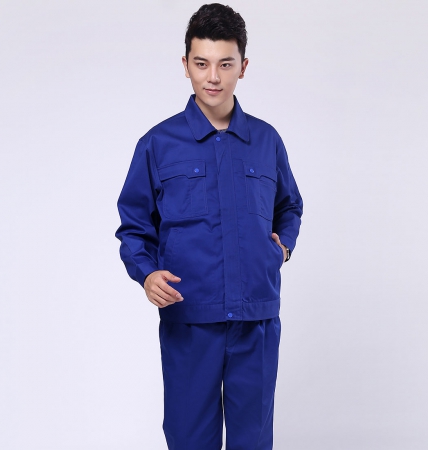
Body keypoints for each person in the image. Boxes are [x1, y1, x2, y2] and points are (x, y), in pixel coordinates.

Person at [115, 3, 303, 449]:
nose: (213, 77)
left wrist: (282, 248)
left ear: (243, 66)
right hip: (189, 319)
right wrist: (147, 274)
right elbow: (134, 226)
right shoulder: (158, 144)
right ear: (185, 65)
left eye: (225, 64)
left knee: (253, 441)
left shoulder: (266, 141)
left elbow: (289, 206)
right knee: (189, 439)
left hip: (256, 320)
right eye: (201, 64)